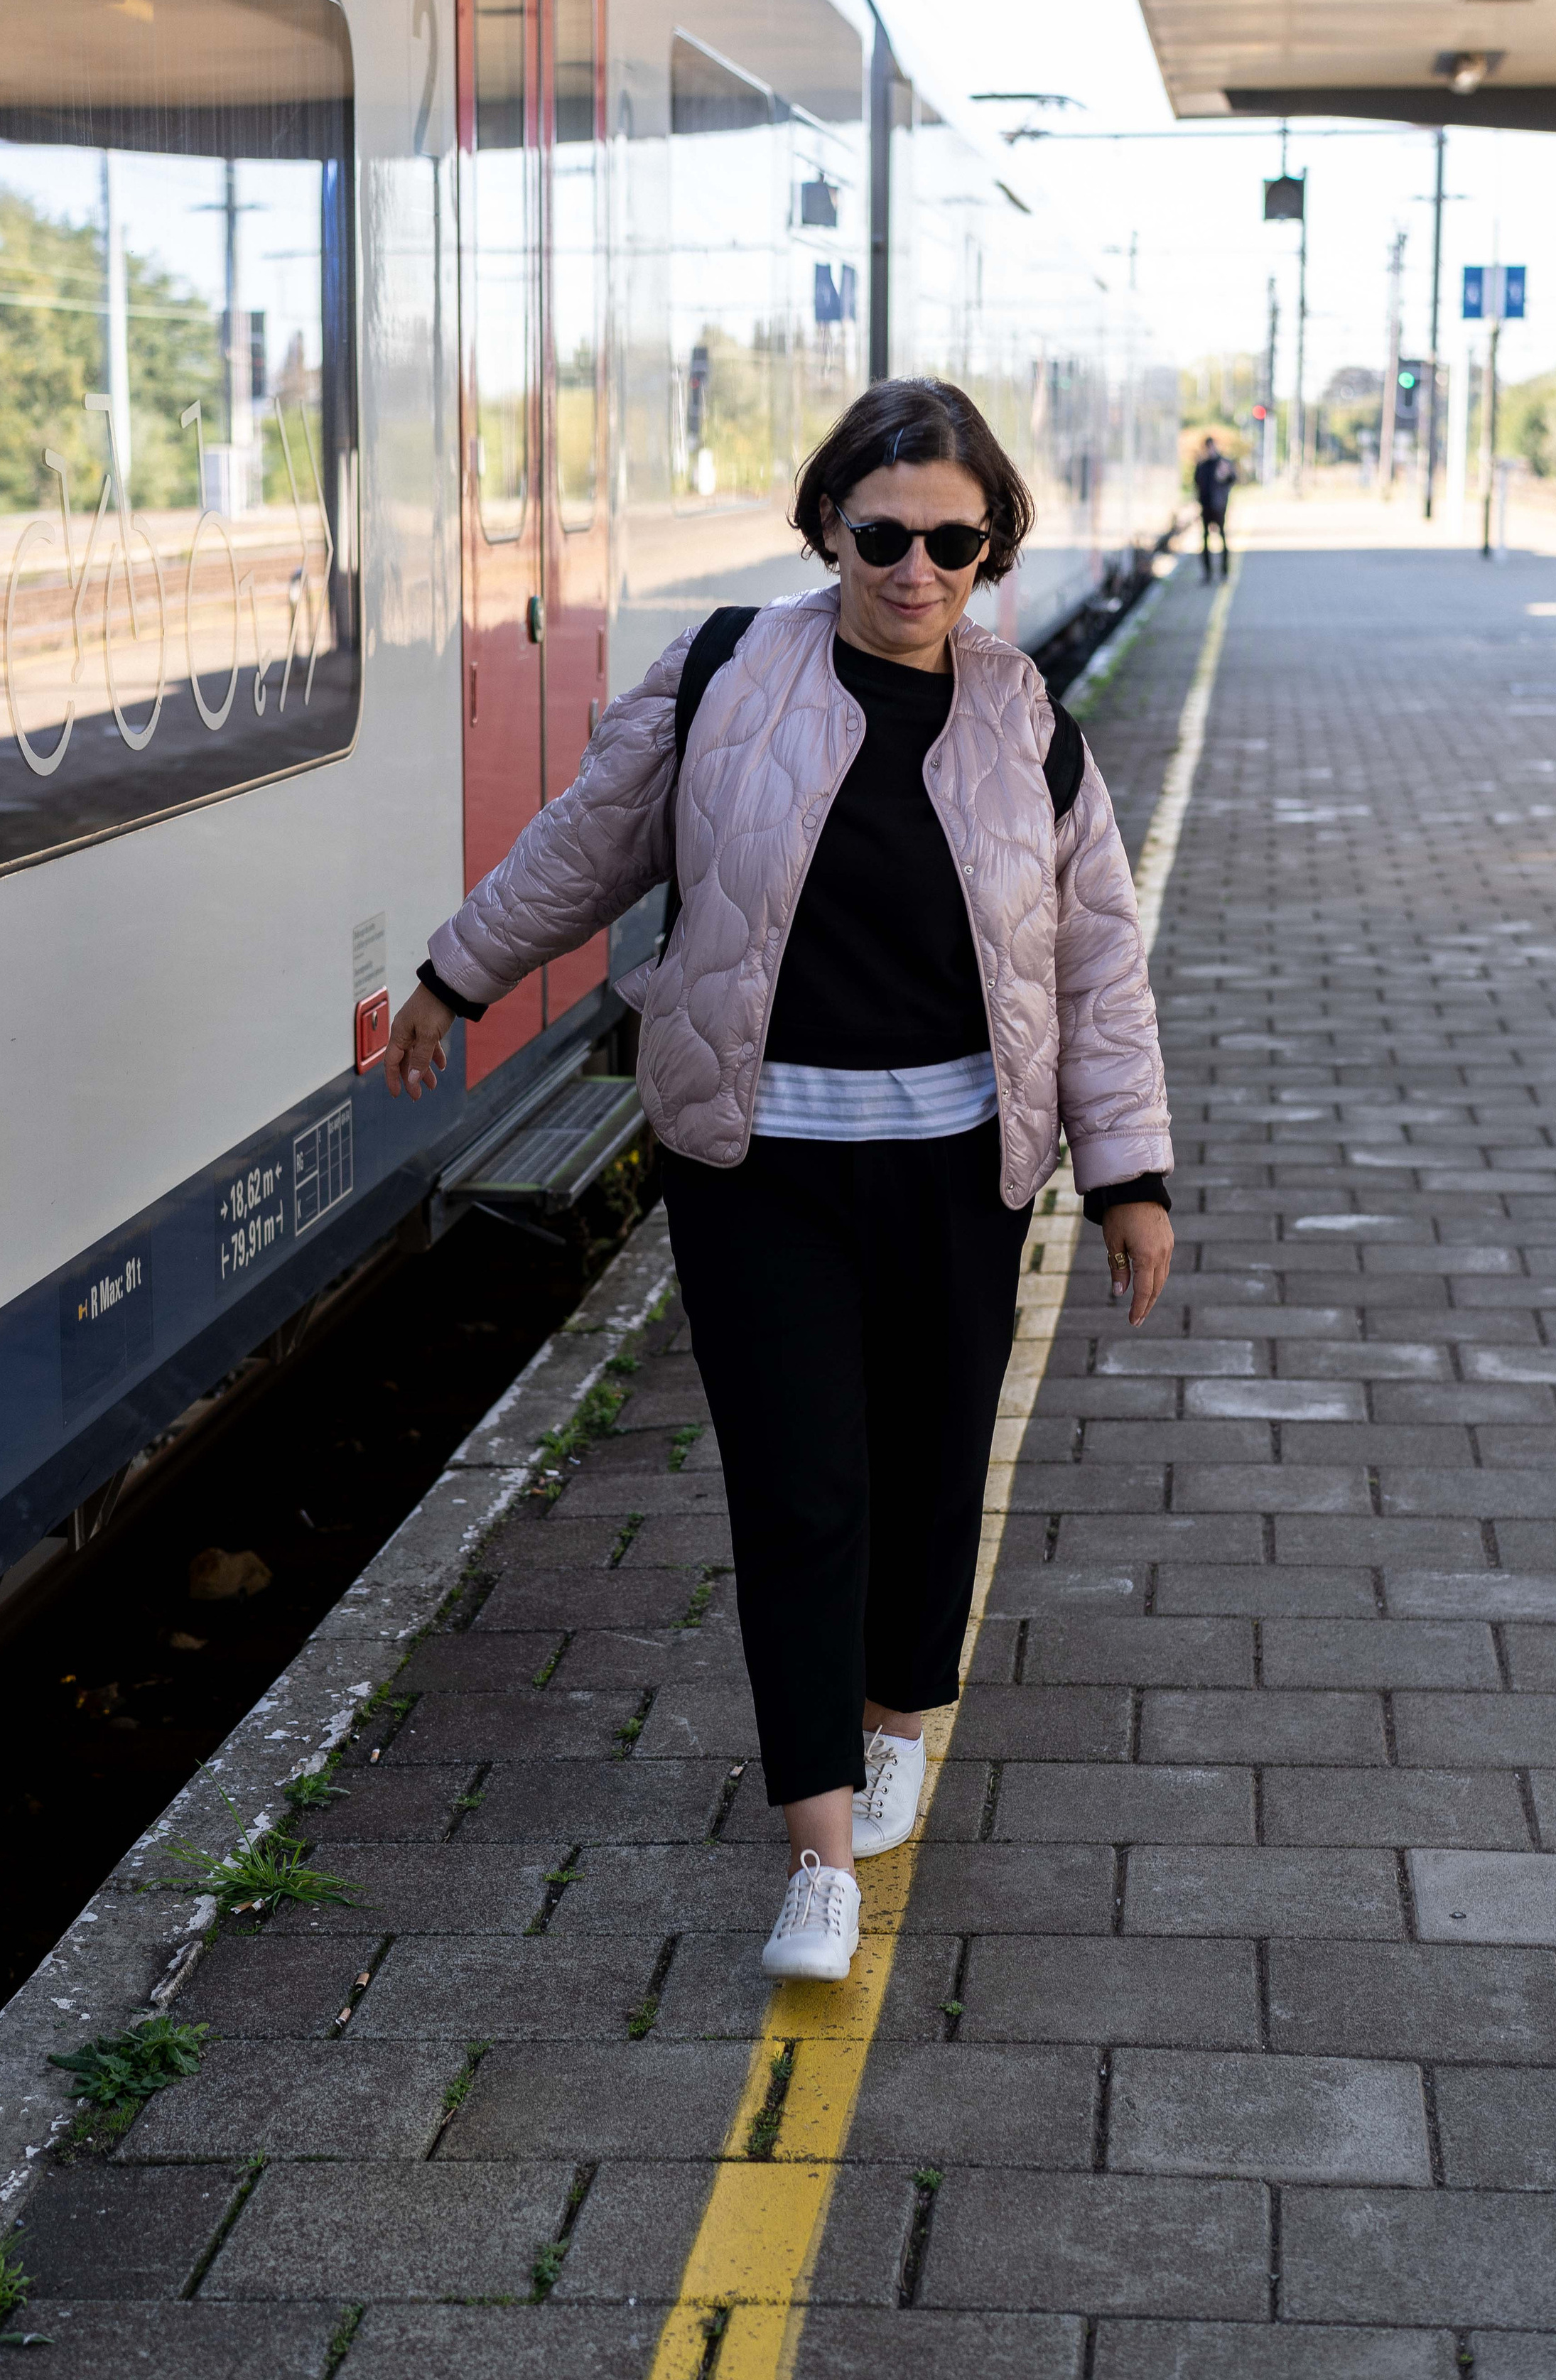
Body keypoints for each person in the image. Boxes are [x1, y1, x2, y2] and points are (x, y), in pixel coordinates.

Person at [385, 377, 1174, 1985]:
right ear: (827, 524)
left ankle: (893, 1724)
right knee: (802, 1485)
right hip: (759, 1170)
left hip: (961, 1172)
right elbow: (584, 845)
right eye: (881, 534)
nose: (913, 568)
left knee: (929, 1471)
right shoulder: (722, 674)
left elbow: (1096, 967)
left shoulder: (1026, 719)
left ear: (988, 548)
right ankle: (817, 1848)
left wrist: (1128, 1174)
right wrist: (455, 976)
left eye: (951, 540)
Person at [1193, 436, 1236, 581]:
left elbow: (1232, 479)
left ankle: (1224, 572)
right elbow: (1197, 483)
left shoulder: (1223, 463)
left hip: (1219, 507)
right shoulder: (1202, 465)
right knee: (1205, 540)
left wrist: (1226, 474)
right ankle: (1207, 573)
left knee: (1222, 539)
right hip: (1206, 507)